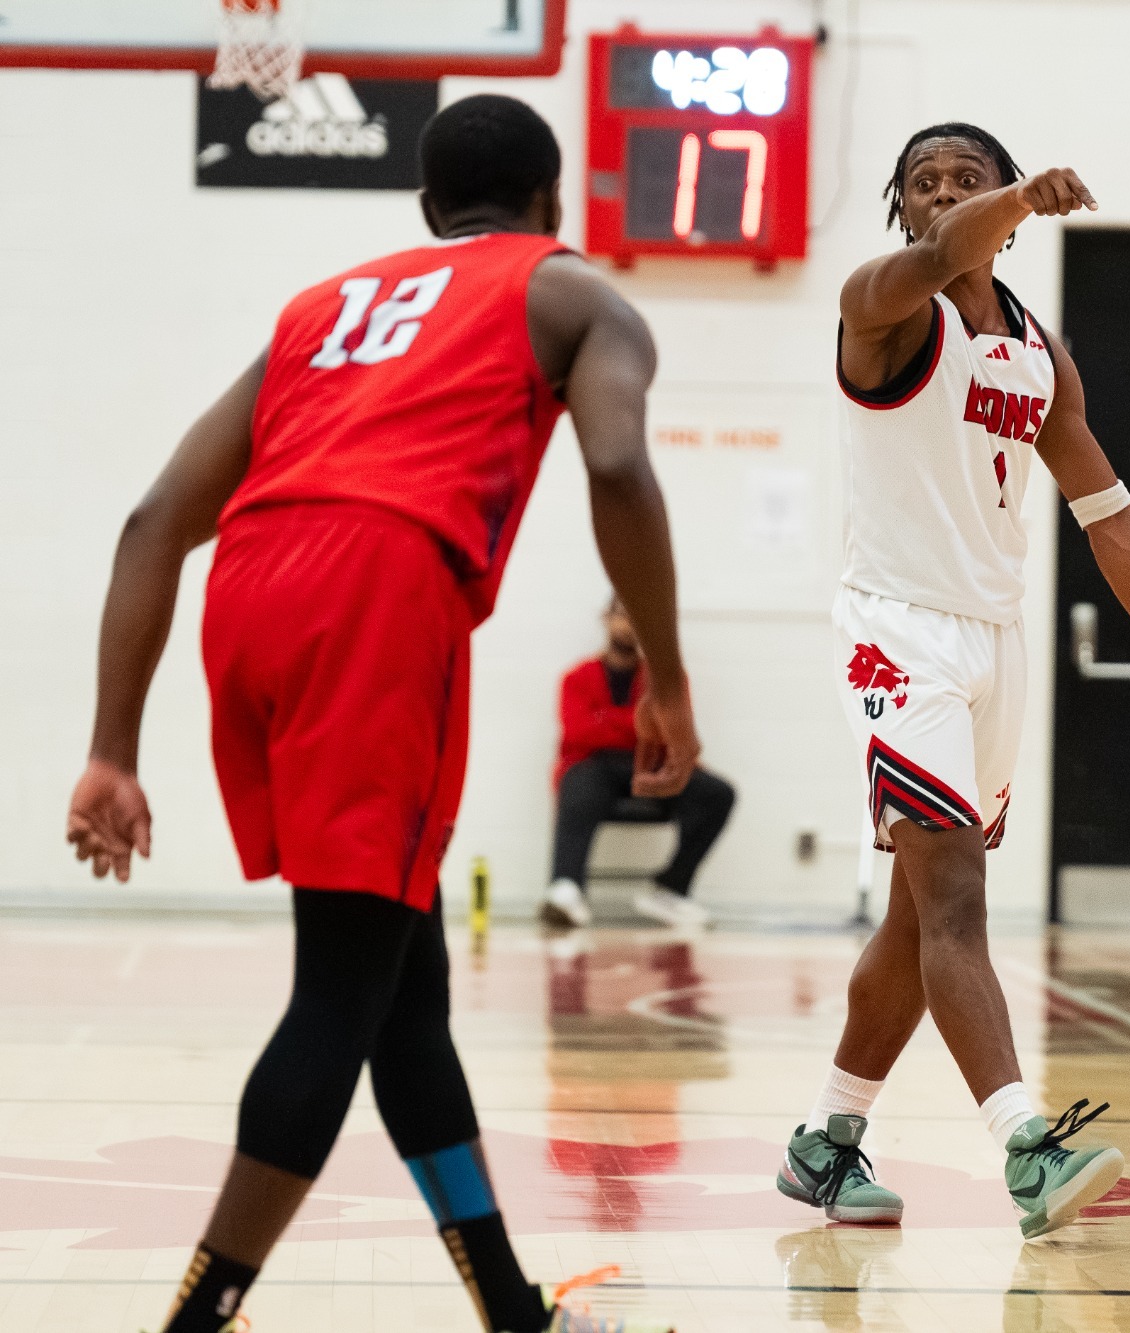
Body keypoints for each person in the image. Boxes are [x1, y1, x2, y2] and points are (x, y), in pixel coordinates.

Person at [63, 95, 694, 1333]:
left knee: (406, 996)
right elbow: (617, 465)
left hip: (249, 590)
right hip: (380, 596)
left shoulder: (319, 310)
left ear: (422, 212)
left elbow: (151, 525)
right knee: (340, 993)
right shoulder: (569, 292)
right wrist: (665, 677)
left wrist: (109, 749)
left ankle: (511, 1310)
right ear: (551, 203)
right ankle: (198, 1318)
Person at [777, 124, 1130, 1239]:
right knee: (957, 896)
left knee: (921, 912)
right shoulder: (876, 303)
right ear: (903, 210)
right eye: (925, 183)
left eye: (967, 174)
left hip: (994, 642)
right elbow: (941, 251)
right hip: (895, 634)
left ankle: (826, 1140)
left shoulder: (1037, 351)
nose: (947, 194)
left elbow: (1105, 513)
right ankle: (1025, 1144)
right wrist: (1010, 196)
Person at [542, 597, 736, 930]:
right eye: (622, 614)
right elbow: (579, 733)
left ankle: (671, 889)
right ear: (606, 618)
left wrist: (607, 721)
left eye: (637, 616)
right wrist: (638, 724)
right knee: (576, 781)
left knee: (718, 794)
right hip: (597, 771)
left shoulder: (669, 680)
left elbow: (672, 730)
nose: (628, 624)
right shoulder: (577, 677)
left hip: (653, 771)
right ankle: (566, 887)